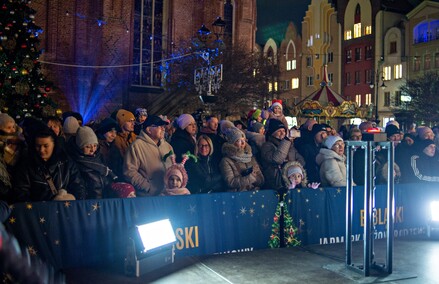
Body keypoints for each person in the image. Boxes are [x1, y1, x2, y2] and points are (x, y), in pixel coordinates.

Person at [12, 125, 86, 202]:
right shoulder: (26, 165)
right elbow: (21, 193)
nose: (41, 150)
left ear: (54, 144)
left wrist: (72, 202)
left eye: (46, 146)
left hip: (65, 211)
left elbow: (78, 187)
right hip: (40, 212)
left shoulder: (66, 162)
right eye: (38, 146)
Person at [124, 115, 173, 196]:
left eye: (163, 126)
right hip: (147, 197)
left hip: (167, 195)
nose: (163, 129)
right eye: (159, 126)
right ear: (149, 129)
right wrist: (148, 187)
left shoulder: (168, 146)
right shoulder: (136, 146)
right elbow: (129, 172)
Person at [69, 126, 117, 199]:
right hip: (90, 203)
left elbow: (106, 180)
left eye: (95, 145)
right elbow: (79, 187)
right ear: (80, 147)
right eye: (88, 147)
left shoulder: (99, 157)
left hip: (104, 200)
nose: (92, 150)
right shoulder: (75, 163)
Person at [260, 119, 304, 190]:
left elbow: (301, 161)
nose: (282, 133)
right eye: (279, 131)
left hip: (292, 182)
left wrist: (295, 170)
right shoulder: (267, 146)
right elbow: (277, 159)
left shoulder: (290, 145)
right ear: (272, 133)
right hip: (277, 184)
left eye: (284, 131)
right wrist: (287, 140)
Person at [219, 127, 264, 191]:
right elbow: (230, 182)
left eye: (244, 140)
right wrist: (250, 178)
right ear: (232, 143)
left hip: (254, 194)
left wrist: (255, 179)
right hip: (237, 196)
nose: (243, 143)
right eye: (238, 140)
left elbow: (261, 180)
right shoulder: (226, 161)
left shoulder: (251, 158)